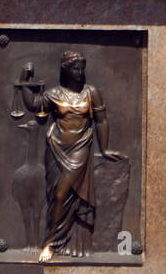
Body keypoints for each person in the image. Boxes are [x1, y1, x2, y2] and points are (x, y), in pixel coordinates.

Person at [17, 51, 122, 262]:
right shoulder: (54, 94)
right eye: (75, 68)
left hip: (80, 148)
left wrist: (104, 149)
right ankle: (54, 241)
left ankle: (51, 243)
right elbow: (34, 105)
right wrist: (24, 79)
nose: (80, 72)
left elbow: (101, 120)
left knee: (61, 195)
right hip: (56, 148)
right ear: (66, 70)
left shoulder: (91, 93)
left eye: (82, 68)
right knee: (54, 195)